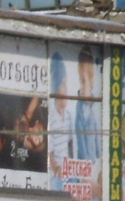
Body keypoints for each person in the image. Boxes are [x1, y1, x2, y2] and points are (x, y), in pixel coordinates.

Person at [47, 52, 74, 192]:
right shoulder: (51, 118)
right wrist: (57, 169)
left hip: (68, 173)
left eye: (66, 84)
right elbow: (49, 152)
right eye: (63, 84)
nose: (66, 89)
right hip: (55, 177)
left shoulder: (68, 116)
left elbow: (70, 144)